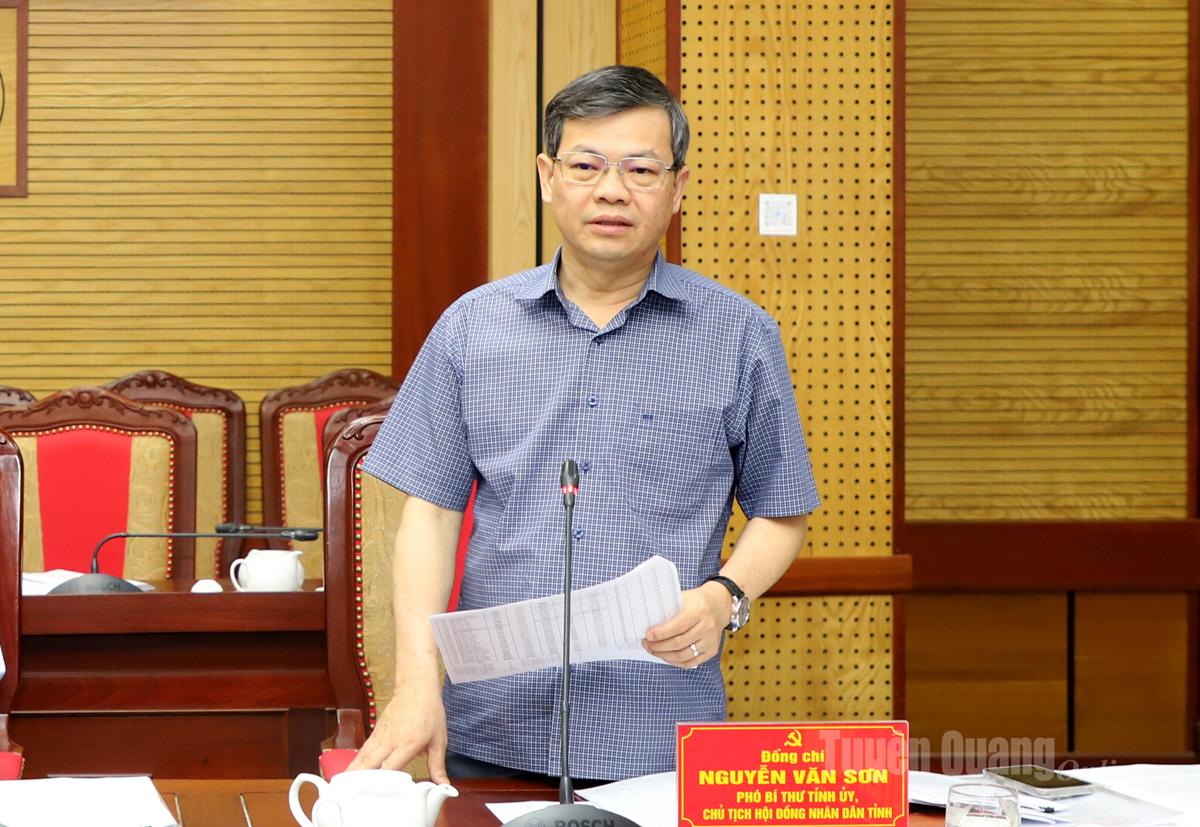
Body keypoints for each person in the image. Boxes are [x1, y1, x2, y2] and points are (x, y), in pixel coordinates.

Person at [352, 65, 819, 783]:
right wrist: (416, 683)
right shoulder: (473, 327)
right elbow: (432, 514)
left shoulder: (739, 335)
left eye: (640, 169)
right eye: (586, 165)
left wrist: (725, 598)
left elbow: (783, 510)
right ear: (548, 177)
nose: (612, 190)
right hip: (493, 727)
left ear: (678, 188)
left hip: (659, 731)